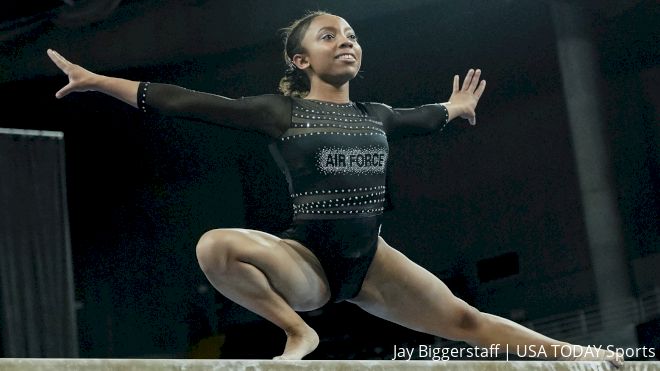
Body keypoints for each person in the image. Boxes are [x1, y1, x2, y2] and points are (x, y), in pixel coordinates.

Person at [46, 10, 623, 368]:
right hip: (308, 260)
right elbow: (183, 101)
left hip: (371, 259)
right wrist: (99, 81)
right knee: (214, 247)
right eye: (329, 36)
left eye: (350, 35)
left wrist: (456, 108)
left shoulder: (377, 114)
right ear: (302, 59)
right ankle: (298, 332)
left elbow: (427, 115)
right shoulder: (280, 112)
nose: (345, 41)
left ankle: (583, 357)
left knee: (467, 323)